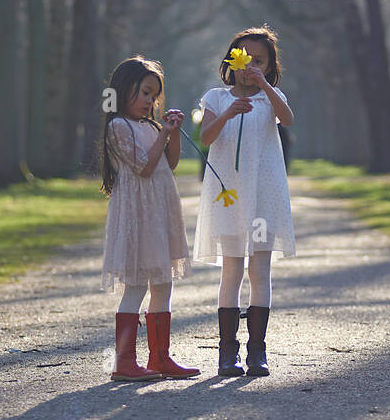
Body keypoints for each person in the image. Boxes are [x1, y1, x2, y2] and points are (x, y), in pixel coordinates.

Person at [193, 25, 295, 377]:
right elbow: (206, 138)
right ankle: (227, 351)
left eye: (260, 61)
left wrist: (265, 86)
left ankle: (257, 350)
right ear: (231, 61)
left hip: (264, 194)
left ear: (269, 66)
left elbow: (288, 120)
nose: (250, 66)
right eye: (244, 59)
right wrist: (227, 113)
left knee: (260, 270)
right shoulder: (216, 97)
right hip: (229, 195)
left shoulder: (271, 97)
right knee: (232, 268)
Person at [100, 56, 199, 381]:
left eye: (154, 95)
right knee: (136, 285)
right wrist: (161, 135)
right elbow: (143, 167)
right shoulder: (118, 127)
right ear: (124, 89)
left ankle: (160, 358)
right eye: (144, 92)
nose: (149, 101)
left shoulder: (152, 127)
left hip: (159, 212)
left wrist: (173, 132)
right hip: (137, 215)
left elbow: (168, 164)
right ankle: (124, 362)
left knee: (163, 283)